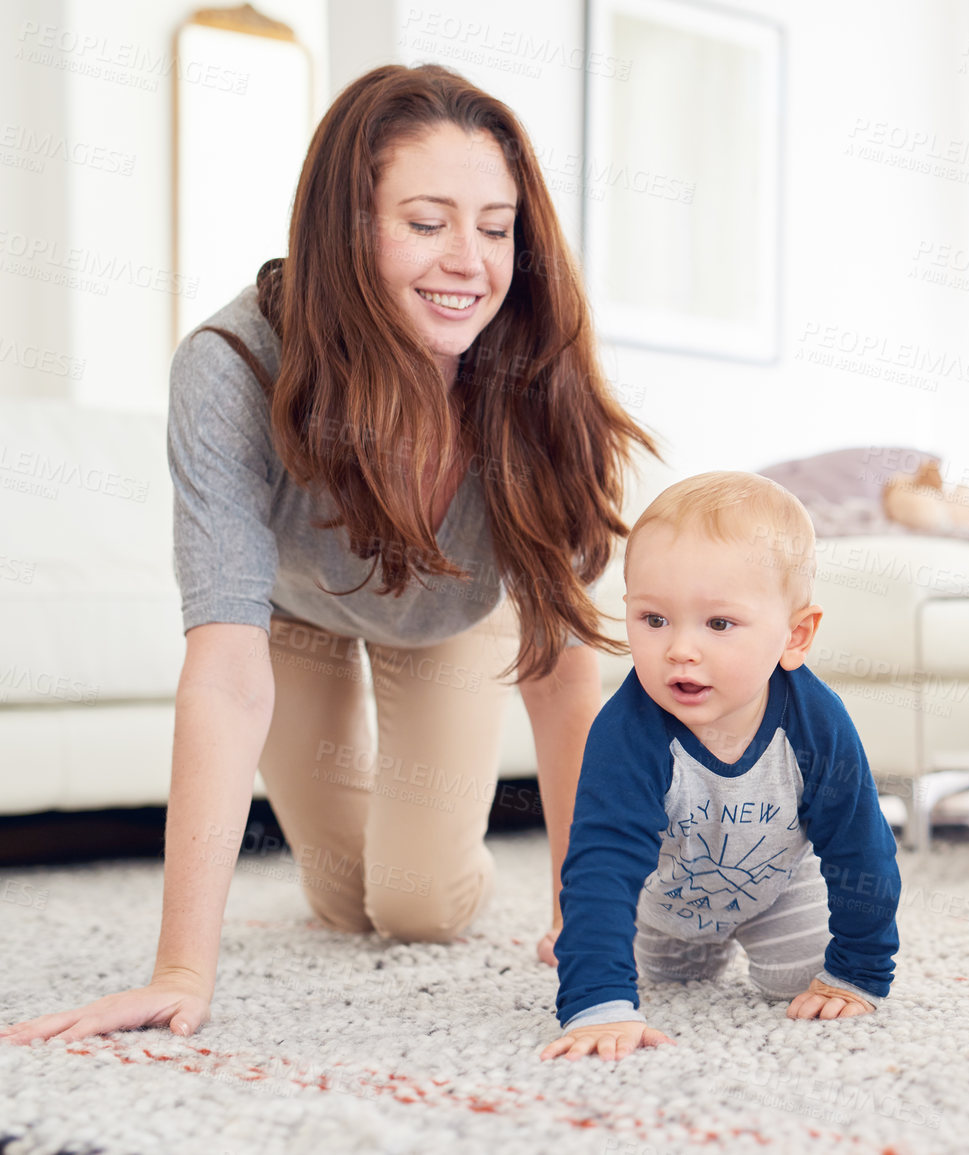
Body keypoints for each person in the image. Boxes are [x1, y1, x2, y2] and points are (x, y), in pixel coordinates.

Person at [2, 63, 656, 1045]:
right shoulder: (231, 366)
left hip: (452, 617)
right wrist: (181, 969)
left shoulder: (534, 365)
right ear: (346, 227)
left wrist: (581, 913)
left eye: (494, 226)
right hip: (300, 614)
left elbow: (566, 679)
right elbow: (224, 673)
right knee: (344, 900)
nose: (468, 262)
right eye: (425, 222)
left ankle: (430, 858)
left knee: (416, 907)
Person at [540, 472, 900, 1063]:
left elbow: (861, 848)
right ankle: (585, 945)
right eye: (653, 620)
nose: (680, 649)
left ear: (795, 635)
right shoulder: (626, 731)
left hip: (779, 890)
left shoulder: (816, 723)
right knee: (668, 977)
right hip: (665, 905)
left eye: (719, 624)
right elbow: (600, 865)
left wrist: (859, 970)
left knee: (803, 984)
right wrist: (597, 1003)